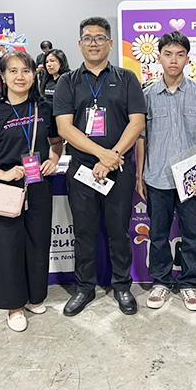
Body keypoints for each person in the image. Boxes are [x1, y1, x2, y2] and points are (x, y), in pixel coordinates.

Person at [0, 50, 62, 332]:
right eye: (13, 71)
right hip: (6, 190)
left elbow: (56, 141)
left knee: (38, 243)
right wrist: (2, 174)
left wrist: (53, 159)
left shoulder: (44, 108)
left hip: (38, 187)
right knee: (9, 249)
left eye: (26, 70)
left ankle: (34, 297)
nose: (20, 76)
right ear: (3, 76)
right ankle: (14, 306)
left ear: (34, 75)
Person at [53, 17, 146, 316]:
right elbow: (65, 128)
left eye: (100, 37)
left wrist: (113, 156)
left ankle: (122, 286)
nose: (94, 43)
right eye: (88, 38)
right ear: (79, 43)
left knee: (119, 231)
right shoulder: (67, 81)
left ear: (110, 43)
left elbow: (137, 122)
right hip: (82, 170)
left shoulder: (127, 78)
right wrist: (101, 155)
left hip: (119, 168)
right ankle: (85, 287)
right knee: (84, 232)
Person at [136, 32, 196, 311]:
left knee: (192, 234)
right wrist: (139, 175)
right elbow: (141, 138)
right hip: (157, 177)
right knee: (158, 234)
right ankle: (160, 281)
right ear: (159, 57)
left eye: (180, 54)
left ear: (187, 58)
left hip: (192, 181)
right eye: (168, 54)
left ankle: (189, 283)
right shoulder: (146, 95)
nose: (174, 60)